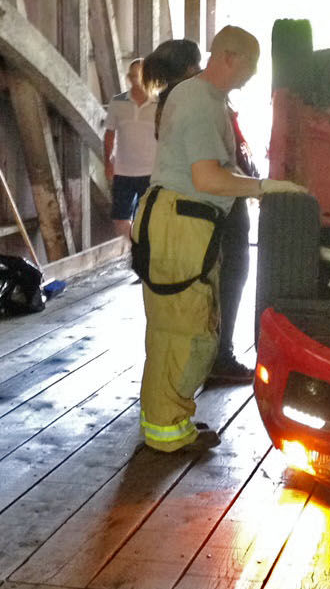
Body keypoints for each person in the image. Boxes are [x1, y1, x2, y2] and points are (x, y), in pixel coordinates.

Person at [131, 26, 305, 452]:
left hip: (180, 221)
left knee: (173, 328)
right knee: (187, 331)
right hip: (181, 222)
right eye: (250, 67)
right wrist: (265, 187)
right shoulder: (198, 103)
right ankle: (168, 434)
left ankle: (164, 423)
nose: (251, 77)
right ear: (231, 57)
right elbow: (206, 177)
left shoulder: (200, 96)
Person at [210, 104, 259, 385]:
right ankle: (220, 355)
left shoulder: (186, 101)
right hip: (225, 199)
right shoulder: (208, 106)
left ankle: (216, 353)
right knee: (232, 274)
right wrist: (257, 186)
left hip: (223, 198)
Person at [104, 58, 158, 240]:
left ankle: (142, 254)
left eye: (141, 76)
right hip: (123, 170)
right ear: (128, 77)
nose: (137, 80)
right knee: (120, 218)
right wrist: (108, 163)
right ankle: (130, 253)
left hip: (151, 171)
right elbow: (109, 134)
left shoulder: (159, 104)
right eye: (134, 76)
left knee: (149, 217)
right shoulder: (117, 102)